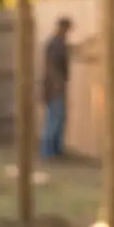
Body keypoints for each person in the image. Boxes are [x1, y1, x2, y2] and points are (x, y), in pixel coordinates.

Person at [40, 17, 73, 159]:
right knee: (54, 119)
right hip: (54, 88)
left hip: (56, 87)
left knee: (58, 119)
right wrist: (58, 85)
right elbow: (52, 68)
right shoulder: (55, 44)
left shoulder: (58, 43)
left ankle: (55, 150)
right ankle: (48, 151)